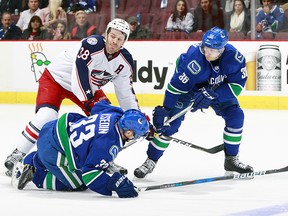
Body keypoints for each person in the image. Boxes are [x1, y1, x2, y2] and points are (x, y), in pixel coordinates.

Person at [4, 18, 144, 177]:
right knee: (47, 115)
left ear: (124, 41)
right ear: (106, 34)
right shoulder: (91, 44)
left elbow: (125, 92)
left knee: (108, 120)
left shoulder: (124, 61)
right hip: (56, 79)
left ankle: (104, 159)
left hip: (87, 87)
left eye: (120, 39)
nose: (114, 41)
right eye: (112, 36)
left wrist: (137, 117)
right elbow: (79, 76)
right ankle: (19, 153)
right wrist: (90, 102)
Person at [134, 26, 253, 179]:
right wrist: (166, 108)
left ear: (222, 49)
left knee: (236, 116)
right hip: (189, 90)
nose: (207, 52)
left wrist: (213, 95)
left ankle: (231, 160)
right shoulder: (193, 58)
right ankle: (150, 160)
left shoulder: (234, 58)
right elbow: (174, 87)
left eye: (212, 50)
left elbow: (237, 86)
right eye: (205, 48)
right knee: (169, 124)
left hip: (216, 90)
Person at [15, 100, 149, 198]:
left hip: (52, 129)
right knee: (79, 183)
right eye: (136, 135)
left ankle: (33, 159)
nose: (135, 138)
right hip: (52, 150)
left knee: (74, 157)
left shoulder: (116, 114)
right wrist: (112, 184)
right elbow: (89, 175)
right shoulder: (108, 144)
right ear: (129, 133)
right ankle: (36, 175)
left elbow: (98, 106)